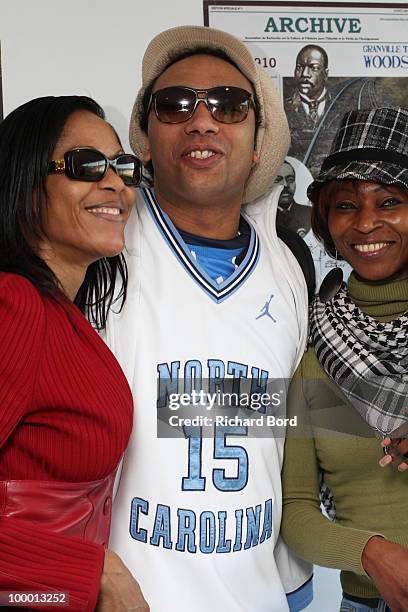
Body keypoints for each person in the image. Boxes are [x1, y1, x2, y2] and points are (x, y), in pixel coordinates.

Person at [105, 25, 312, 612]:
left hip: (262, 595)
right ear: (144, 139)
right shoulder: (102, 243)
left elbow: (288, 419)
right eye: (174, 105)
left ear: (256, 140)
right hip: (127, 596)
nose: (201, 120)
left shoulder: (286, 265)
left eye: (228, 104)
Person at [0, 95, 149, 611]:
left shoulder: (65, 317)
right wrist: (92, 571)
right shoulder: (13, 304)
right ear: (26, 182)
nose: (114, 184)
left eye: (122, 166)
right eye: (86, 165)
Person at [281, 106, 408, 612]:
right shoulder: (316, 356)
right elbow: (296, 511)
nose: (367, 223)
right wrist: (369, 553)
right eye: (346, 205)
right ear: (326, 223)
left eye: (391, 201)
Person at [276, 159, 311, 237]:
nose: (285, 184)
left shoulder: (310, 214)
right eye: (278, 180)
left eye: (290, 180)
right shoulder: (258, 215)